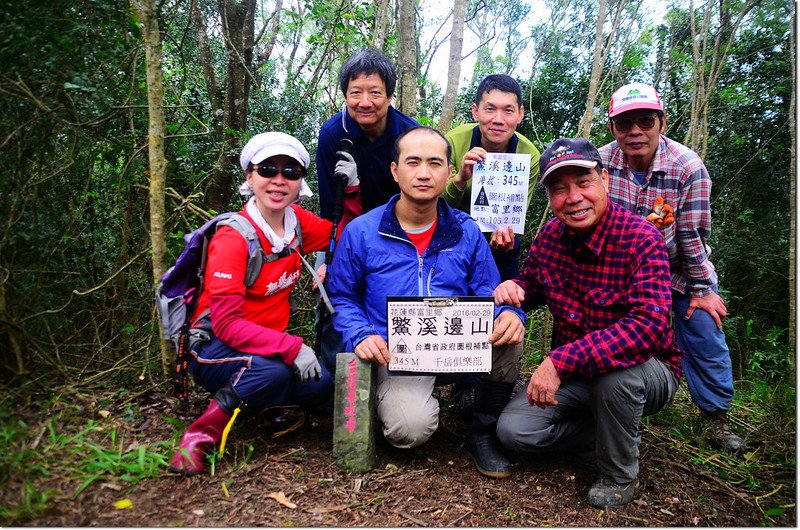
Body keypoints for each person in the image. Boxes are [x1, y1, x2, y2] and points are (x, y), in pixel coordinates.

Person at [327, 127, 526, 479]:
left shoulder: (466, 231)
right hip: (397, 350)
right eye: (413, 162)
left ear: (450, 171)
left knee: (510, 334)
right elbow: (342, 296)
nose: (423, 173)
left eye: (435, 163)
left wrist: (508, 312)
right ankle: (399, 397)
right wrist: (360, 334)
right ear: (395, 170)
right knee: (409, 431)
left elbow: (489, 291)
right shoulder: (361, 231)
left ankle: (481, 432)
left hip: (456, 341)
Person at [494, 137, 682, 508]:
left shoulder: (641, 238)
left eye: (583, 183)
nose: (574, 198)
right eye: (560, 189)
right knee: (514, 432)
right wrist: (512, 289)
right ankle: (606, 432)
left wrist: (560, 362)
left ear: (604, 180)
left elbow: (648, 328)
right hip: (578, 377)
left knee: (616, 378)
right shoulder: (550, 236)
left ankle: (618, 474)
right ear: (549, 197)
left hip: (648, 370)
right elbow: (532, 285)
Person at [169, 132, 339, 475]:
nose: (279, 180)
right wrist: (292, 348)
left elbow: (346, 235)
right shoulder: (234, 238)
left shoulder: (297, 224)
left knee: (324, 383)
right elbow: (227, 325)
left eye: (290, 172)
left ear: (300, 182)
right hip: (214, 348)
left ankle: (261, 405)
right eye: (268, 170)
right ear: (250, 176)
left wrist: (329, 260)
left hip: (264, 348)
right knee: (272, 370)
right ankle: (198, 437)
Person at [599, 82, 745, 452]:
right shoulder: (599, 165)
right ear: (613, 128)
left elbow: (693, 233)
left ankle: (716, 417)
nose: (635, 131)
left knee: (703, 326)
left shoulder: (687, 167)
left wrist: (701, 290)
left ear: (661, 122)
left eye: (645, 121)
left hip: (678, 267)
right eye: (625, 123)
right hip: (622, 271)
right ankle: (607, 404)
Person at [314, 47, 420, 373]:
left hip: (395, 231)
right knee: (331, 295)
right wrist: (330, 257)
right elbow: (329, 204)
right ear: (345, 94)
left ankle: (398, 366)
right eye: (355, 92)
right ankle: (332, 381)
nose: (365, 102)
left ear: (389, 95)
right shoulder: (333, 134)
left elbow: (417, 195)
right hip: (344, 226)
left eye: (375, 92)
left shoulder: (409, 134)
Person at [442, 74, 541, 282]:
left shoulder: (529, 155)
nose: (498, 119)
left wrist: (506, 234)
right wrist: (460, 179)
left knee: (503, 302)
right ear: (475, 112)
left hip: (500, 242)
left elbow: (516, 211)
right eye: (490, 109)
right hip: (451, 238)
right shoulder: (453, 141)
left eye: (508, 110)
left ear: (520, 114)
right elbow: (438, 206)